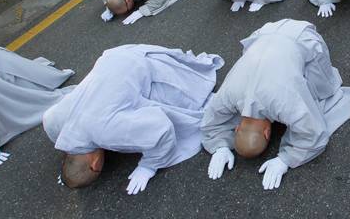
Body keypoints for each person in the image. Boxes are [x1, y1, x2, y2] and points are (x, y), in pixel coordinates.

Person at [200, 19, 350, 191]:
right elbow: (210, 122)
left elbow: (314, 134)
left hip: (302, 38)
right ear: (238, 128)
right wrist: (220, 148)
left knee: (324, 91)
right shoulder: (228, 95)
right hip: (262, 33)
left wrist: (286, 159)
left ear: (268, 133)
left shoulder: (285, 103)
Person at [44, 45, 221, 194]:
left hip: (141, 65)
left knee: (183, 104)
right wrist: (70, 174)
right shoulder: (52, 123)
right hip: (113, 57)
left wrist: (150, 165)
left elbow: (161, 127)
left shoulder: (106, 131)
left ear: (95, 164)